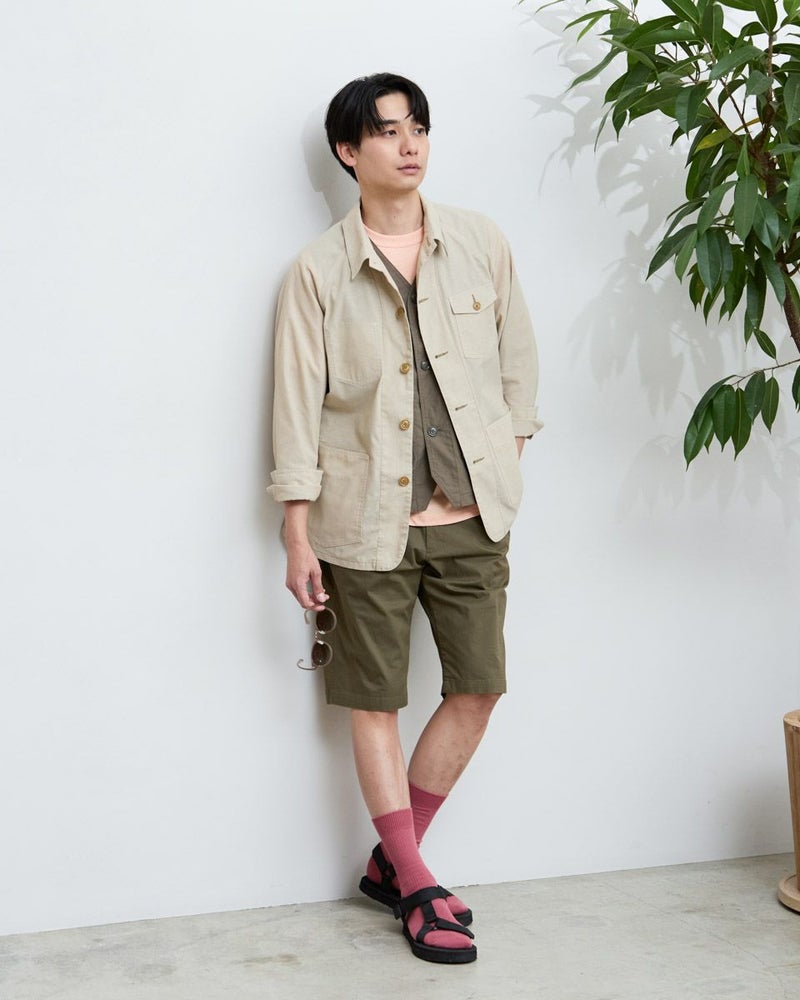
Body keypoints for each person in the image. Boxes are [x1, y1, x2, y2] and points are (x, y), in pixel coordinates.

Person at [268, 72, 542, 964]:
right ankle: (418, 884)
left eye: (417, 126)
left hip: (471, 517)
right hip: (362, 523)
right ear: (349, 152)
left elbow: (518, 368)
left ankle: (393, 864)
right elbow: (295, 410)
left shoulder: (481, 242)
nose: (410, 143)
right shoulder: (317, 272)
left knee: (478, 688)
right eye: (387, 131)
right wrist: (297, 533)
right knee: (374, 699)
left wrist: (505, 461)